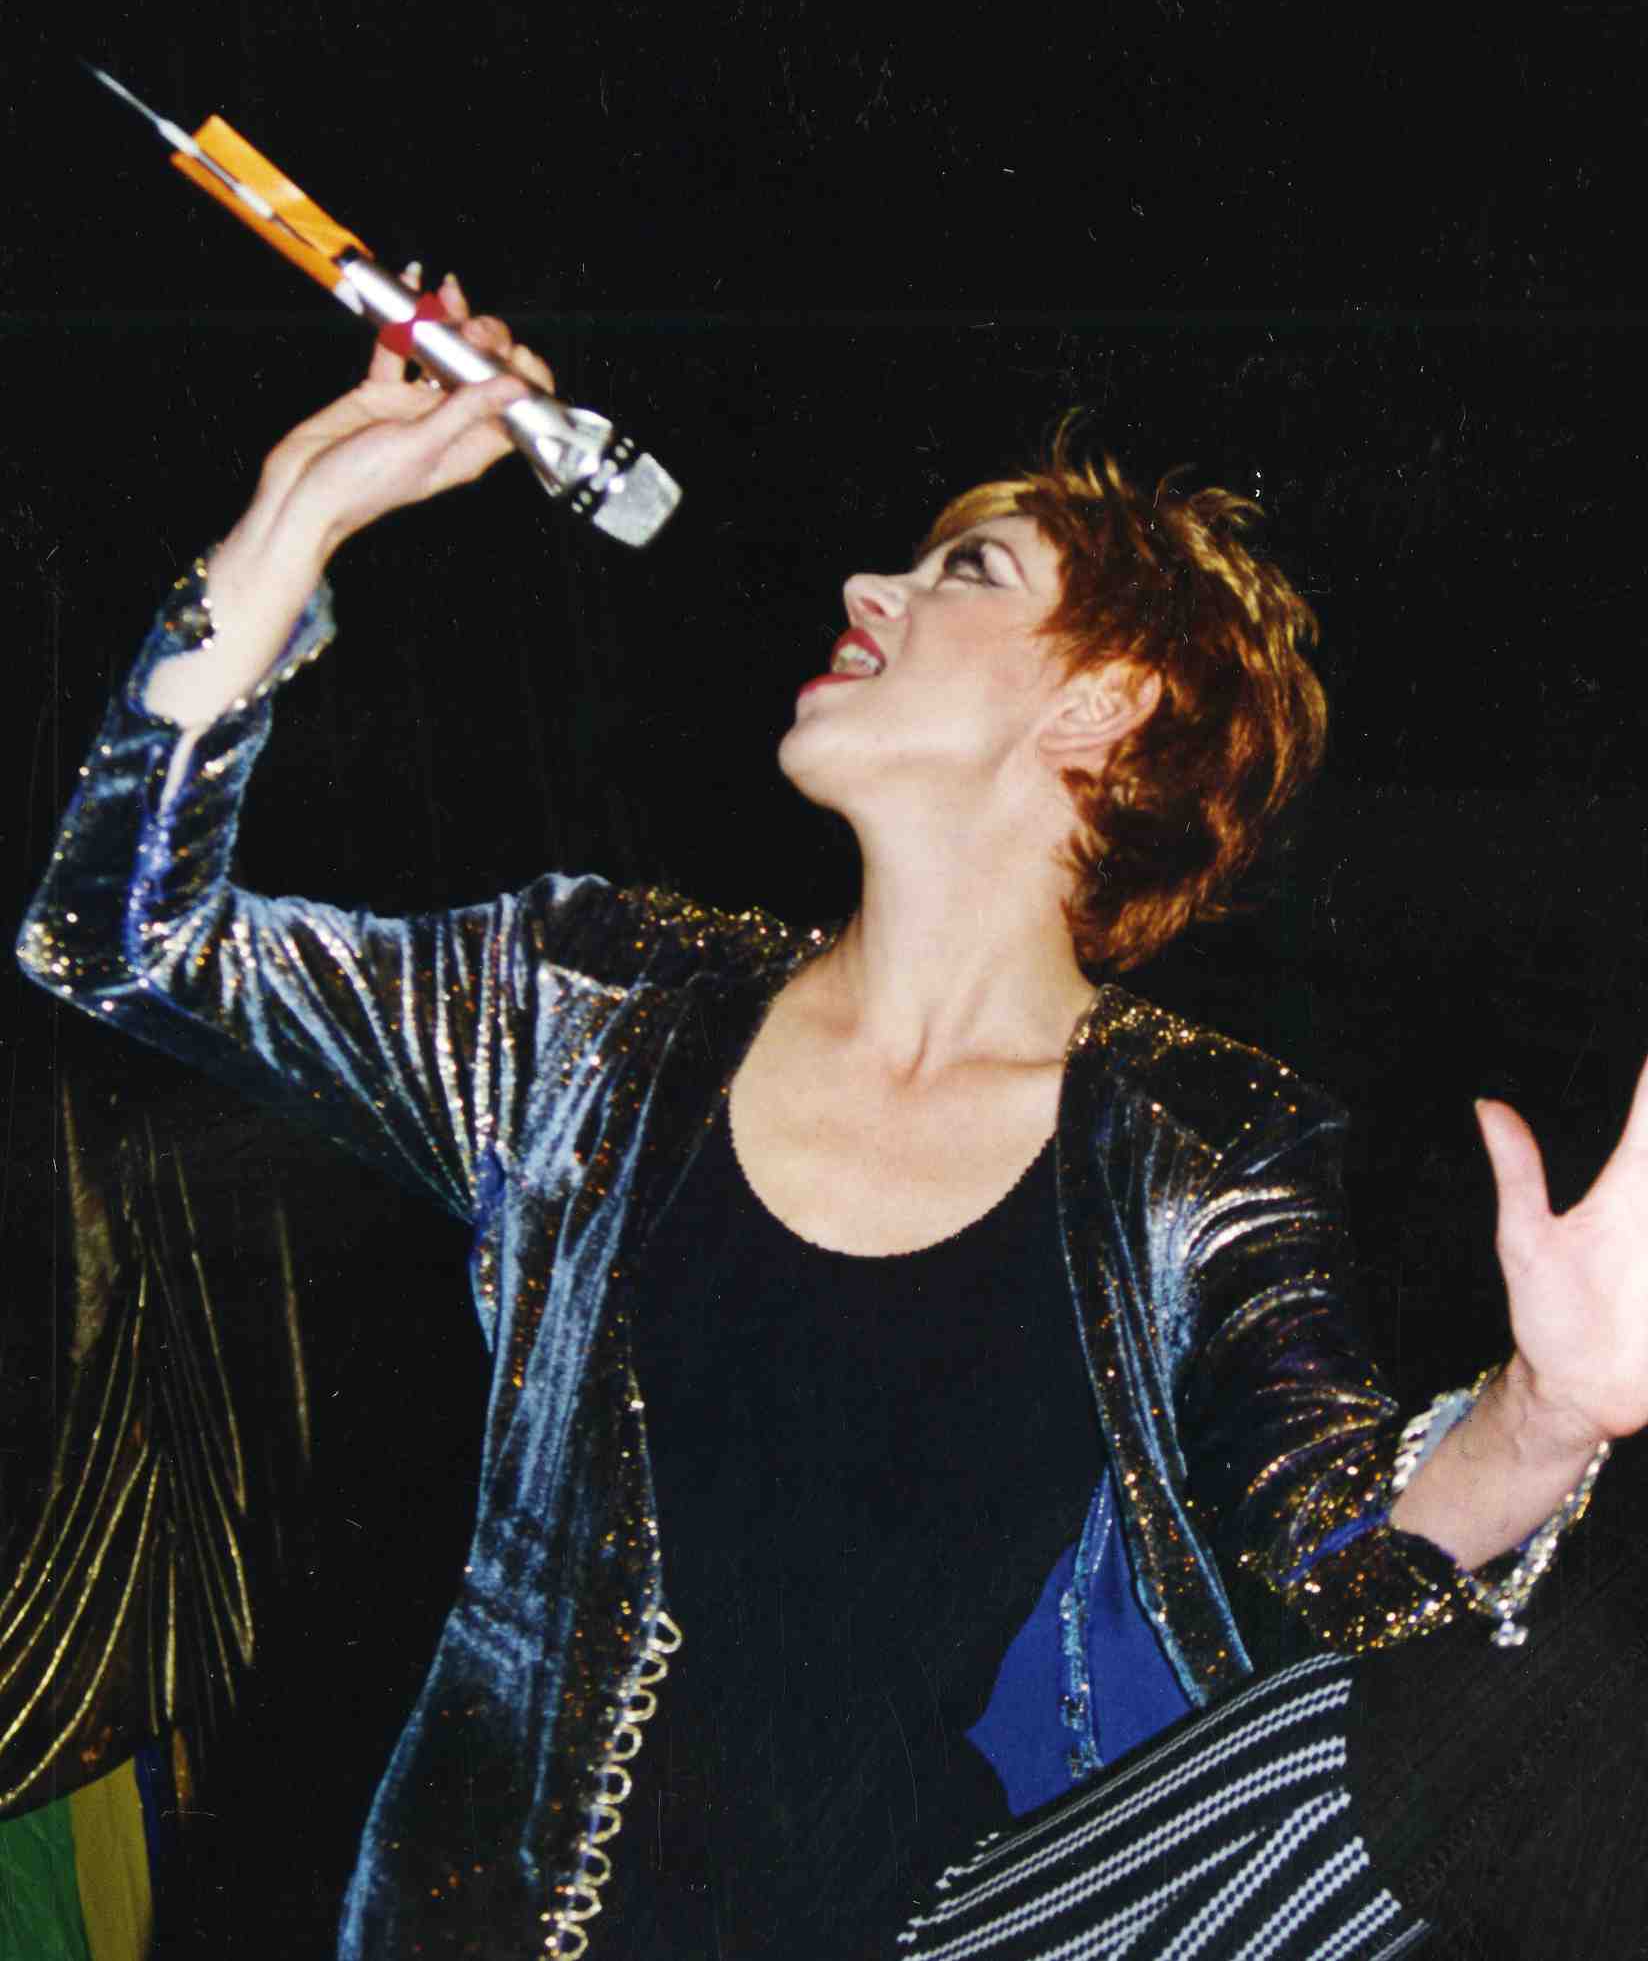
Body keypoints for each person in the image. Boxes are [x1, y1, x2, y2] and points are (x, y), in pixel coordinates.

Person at [17, 290, 1648, 1961]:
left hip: (926, 1932)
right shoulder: (596, 1003)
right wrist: (303, 515)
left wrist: (1548, 1412)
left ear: (1103, 702)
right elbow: (118, 940)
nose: (870, 589)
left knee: (1546, 1712)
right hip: (466, 1933)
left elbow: (1343, 1564)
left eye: (967, 572)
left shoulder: (1196, 1148)